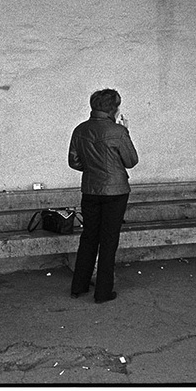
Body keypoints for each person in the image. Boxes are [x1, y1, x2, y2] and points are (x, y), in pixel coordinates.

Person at [68, 89, 139, 304]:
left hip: (90, 189)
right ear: (113, 109)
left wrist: (94, 169)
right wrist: (125, 131)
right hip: (115, 192)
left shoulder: (80, 129)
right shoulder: (118, 131)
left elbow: (74, 162)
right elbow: (131, 161)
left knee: (89, 237)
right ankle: (103, 292)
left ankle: (79, 286)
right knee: (109, 240)